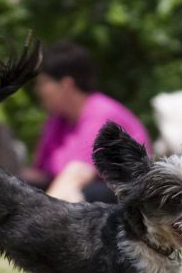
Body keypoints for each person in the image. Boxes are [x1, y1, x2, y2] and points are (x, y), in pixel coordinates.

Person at [20, 41, 151, 203]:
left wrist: (38, 218)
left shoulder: (101, 113)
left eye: (43, 83)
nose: (38, 90)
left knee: (88, 193)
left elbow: (78, 174)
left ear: (65, 84)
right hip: (69, 190)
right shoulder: (57, 121)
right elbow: (39, 174)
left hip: (119, 198)